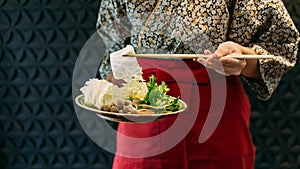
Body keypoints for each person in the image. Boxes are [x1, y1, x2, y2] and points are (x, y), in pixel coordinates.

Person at [95, 0, 299, 169]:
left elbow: (280, 44)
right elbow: (111, 46)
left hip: (214, 109)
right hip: (143, 109)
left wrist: (242, 56)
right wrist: (113, 90)